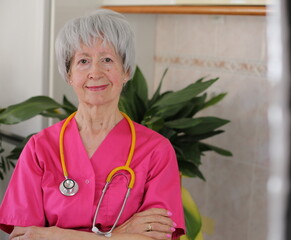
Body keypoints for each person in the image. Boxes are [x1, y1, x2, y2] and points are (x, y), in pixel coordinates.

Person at [0, 9, 185, 240]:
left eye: (107, 59)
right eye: (83, 61)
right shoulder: (40, 148)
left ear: (126, 70)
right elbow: (23, 237)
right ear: (69, 74)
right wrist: (122, 234)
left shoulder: (156, 150)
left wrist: (54, 235)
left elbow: (157, 236)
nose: (95, 72)